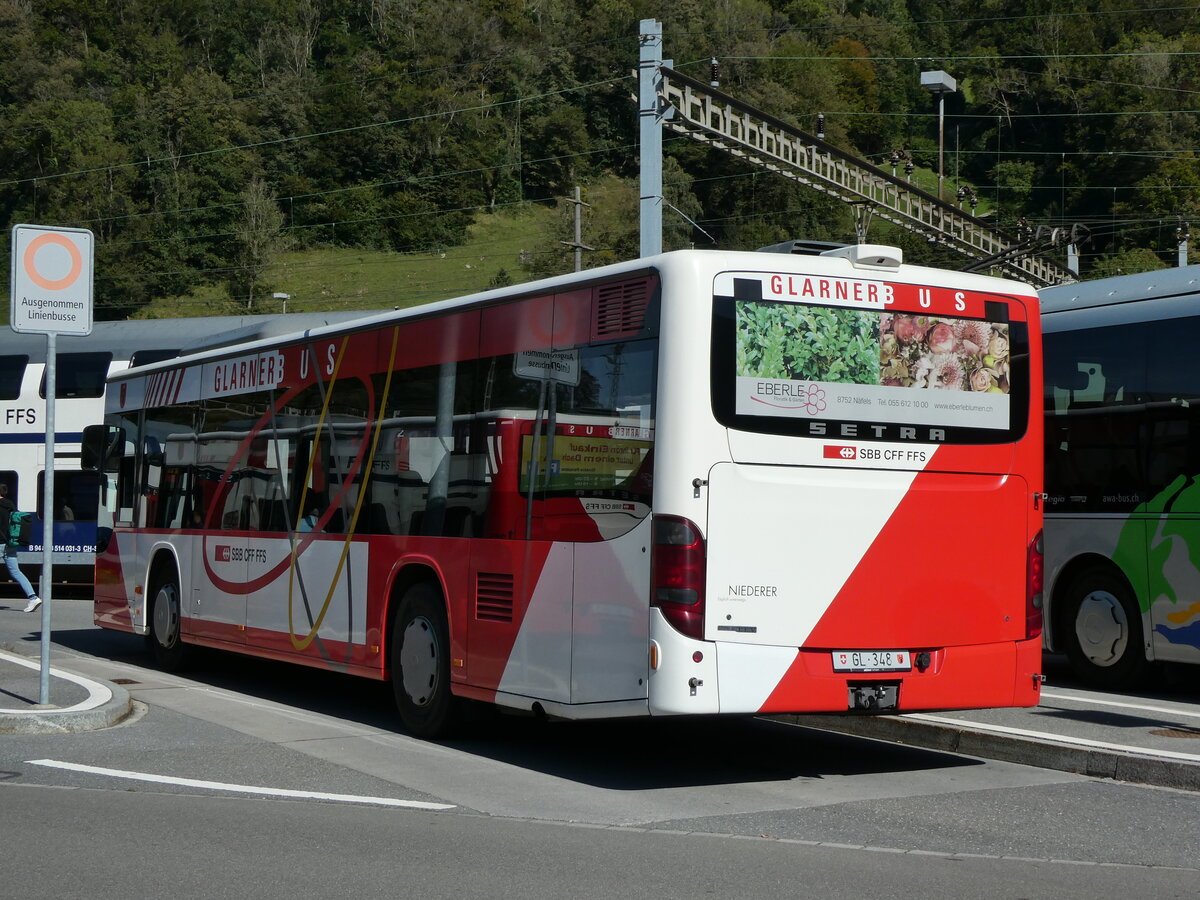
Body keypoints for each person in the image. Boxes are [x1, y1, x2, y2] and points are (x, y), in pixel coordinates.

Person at [0, 484, 39, 613]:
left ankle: (33, 598)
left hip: (0, 543)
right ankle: (33, 597)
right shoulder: (10, 505)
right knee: (16, 572)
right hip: (10, 544)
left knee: (15, 571)